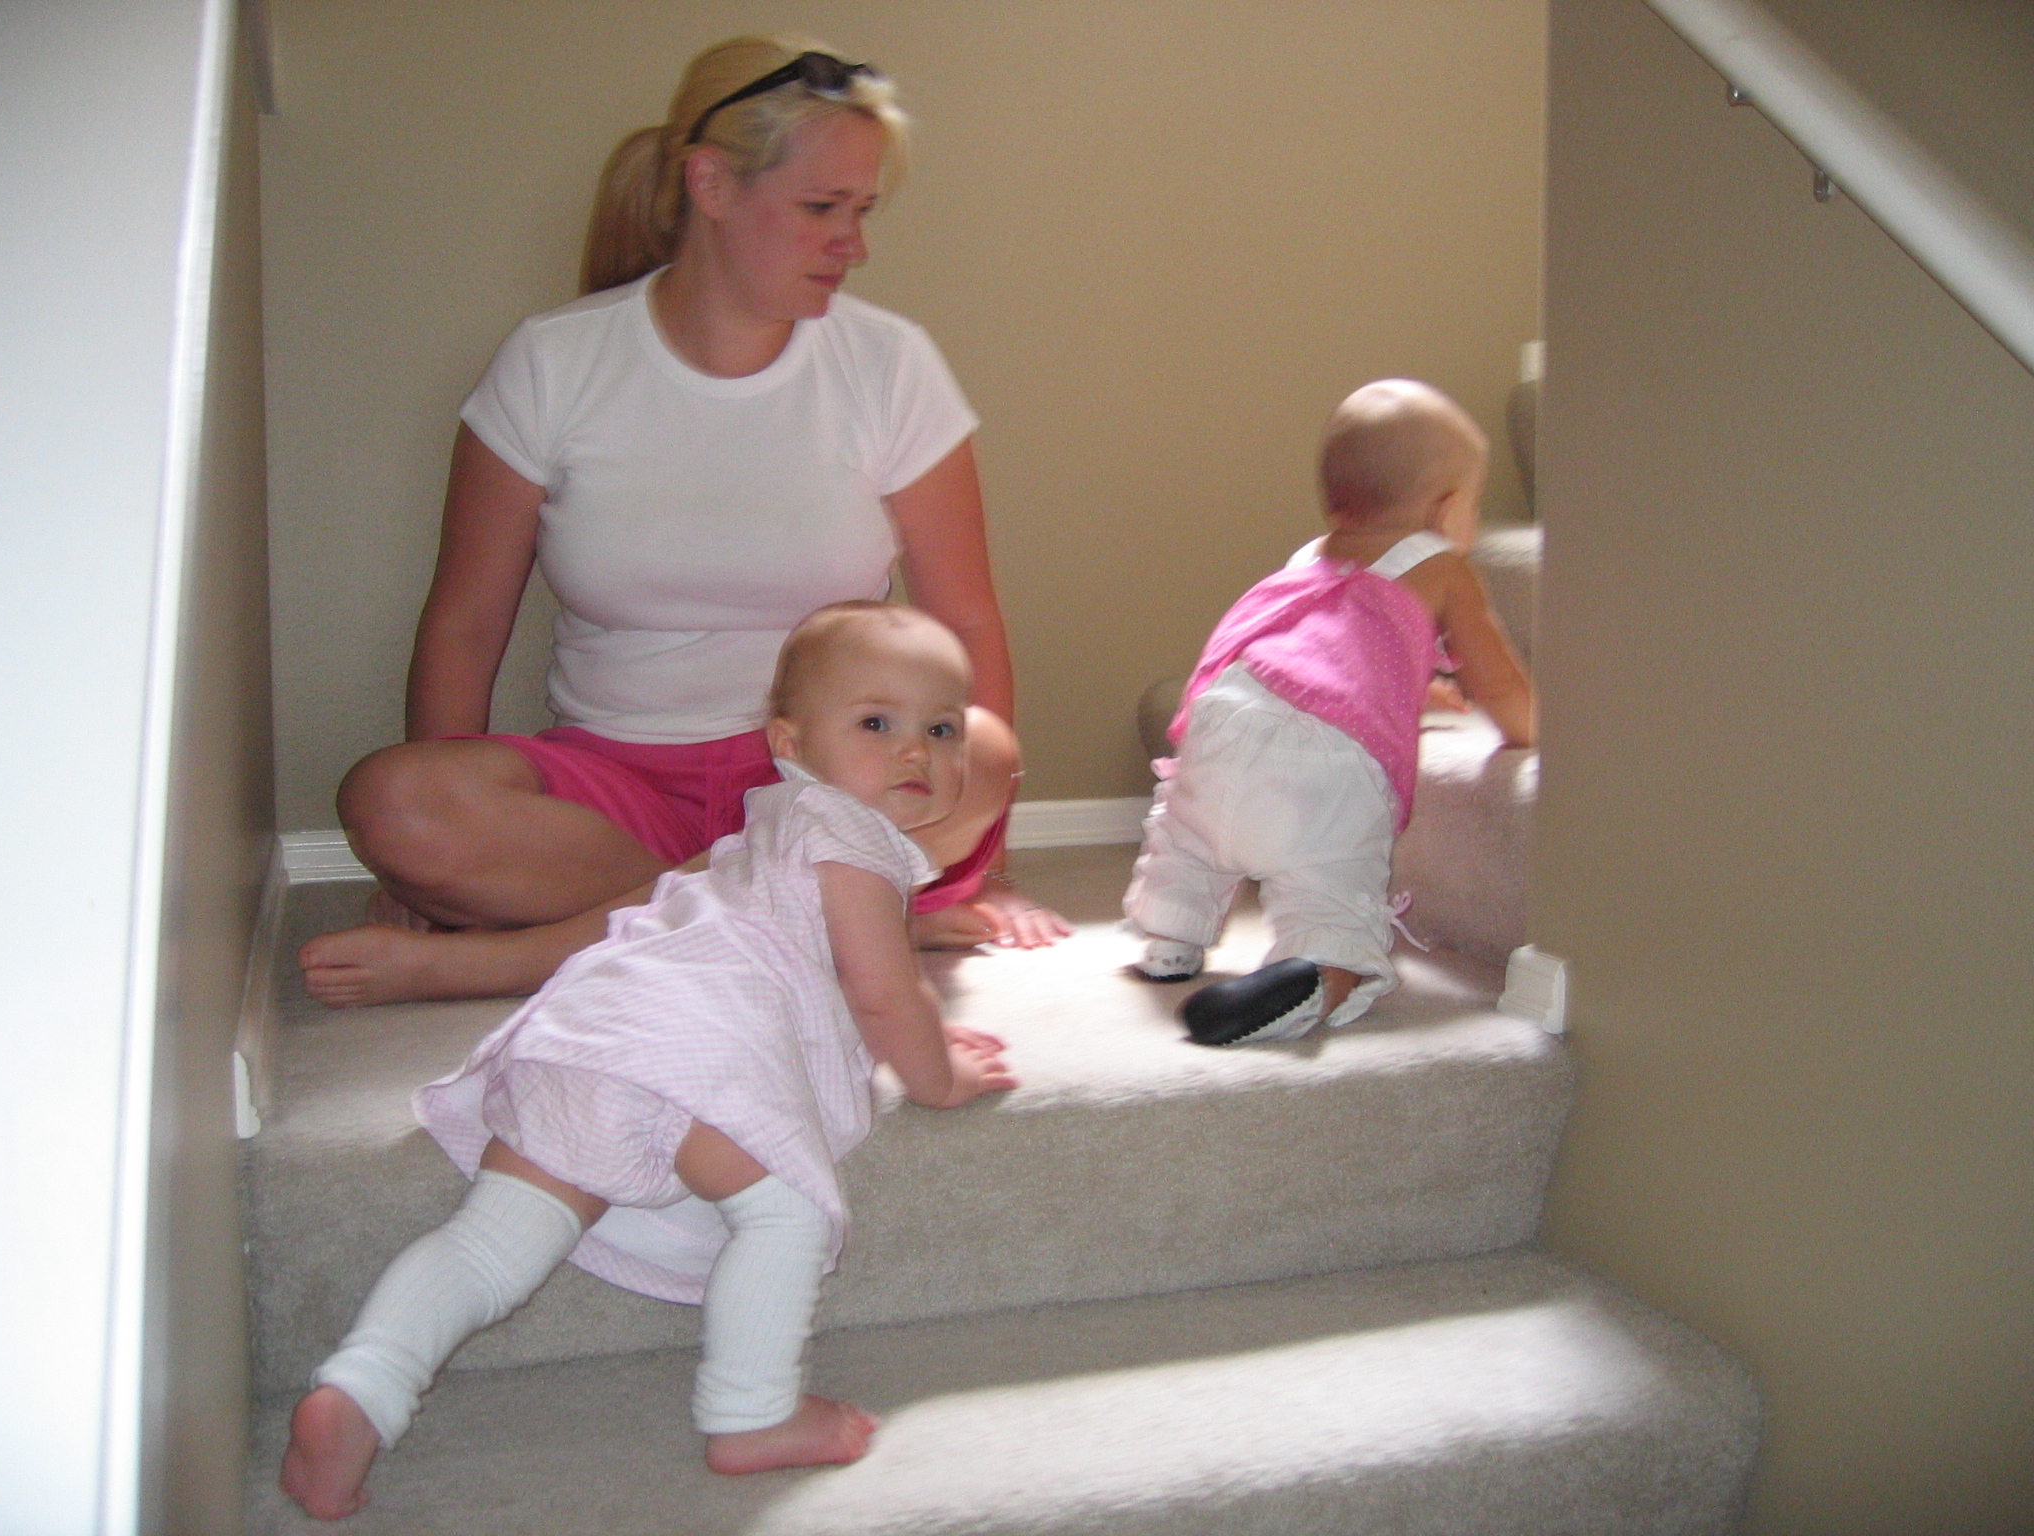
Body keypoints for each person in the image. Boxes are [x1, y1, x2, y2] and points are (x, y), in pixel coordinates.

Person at [299, 35, 1065, 1011]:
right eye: (821, 208)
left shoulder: (889, 365)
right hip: (612, 788)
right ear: (710, 183)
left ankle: (514, 957)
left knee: (985, 751)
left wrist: (984, 853)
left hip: (830, 770)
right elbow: (466, 622)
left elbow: (962, 625)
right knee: (394, 803)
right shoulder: (553, 363)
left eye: (862, 212)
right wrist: (424, 876)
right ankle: (836, 914)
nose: (853, 243)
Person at [279, 603, 1018, 1519]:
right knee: (784, 1217)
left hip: (599, 1028)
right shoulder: (860, 844)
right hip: (698, 1049)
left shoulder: (774, 825)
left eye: (942, 729)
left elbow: (804, 925)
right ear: (788, 740)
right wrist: (938, 1074)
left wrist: (908, 923)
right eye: (877, 723)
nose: (917, 752)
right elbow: (880, 992)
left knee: (494, 1239)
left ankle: (362, 1387)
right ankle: (753, 1411)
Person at [1123, 380, 1535, 1046]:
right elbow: (1498, 682)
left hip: (1222, 726)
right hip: (1322, 765)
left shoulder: (1310, 558)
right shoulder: (1444, 569)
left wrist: (1413, 688)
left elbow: (1325, 653)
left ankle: (1171, 934)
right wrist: (1529, 727)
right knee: (1332, 880)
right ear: (1449, 507)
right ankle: (1320, 971)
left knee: (1190, 839)